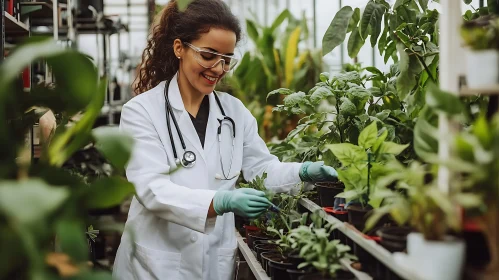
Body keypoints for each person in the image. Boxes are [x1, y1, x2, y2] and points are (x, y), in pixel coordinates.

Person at [112, 1, 338, 279]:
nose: (218, 68)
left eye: (227, 58)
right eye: (208, 55)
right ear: (179, 48)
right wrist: (221, 201)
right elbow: (152, 189)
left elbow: (262, 170)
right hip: (154, 265)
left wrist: (302, 172)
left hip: (212, 262)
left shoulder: (233, 113)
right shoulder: (142, 112)